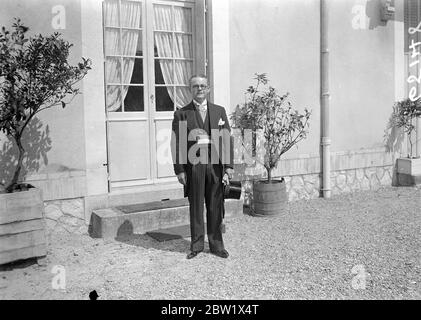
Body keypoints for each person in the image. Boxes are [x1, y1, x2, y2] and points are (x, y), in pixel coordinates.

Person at [171, 74, 234, 259]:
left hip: (215, 166)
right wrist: (180, 170)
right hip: (194, 167)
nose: (199, 89)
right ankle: (197, 245)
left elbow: (226, 140)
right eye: (195, 86)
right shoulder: (182, 114)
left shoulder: (219, 111)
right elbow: (177, 143)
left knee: (215, 205)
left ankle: (216, 245)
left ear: (208, 89)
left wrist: (229, 167)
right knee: (196, 206)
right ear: (190, 89)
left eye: (203, 86)